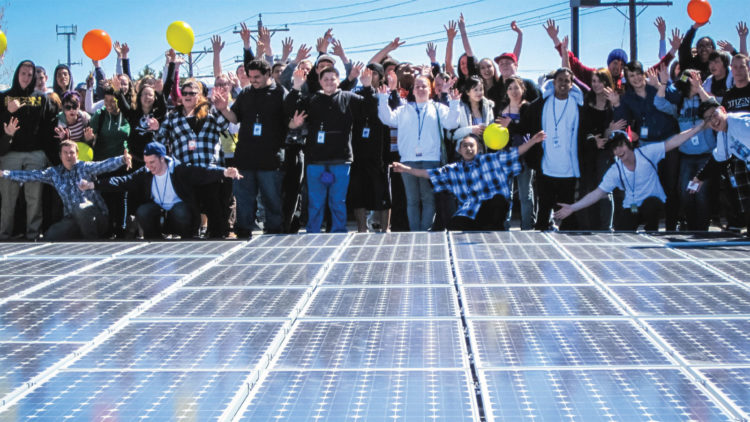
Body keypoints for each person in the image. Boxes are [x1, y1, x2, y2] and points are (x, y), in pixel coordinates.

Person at [555, 125, 706, 231]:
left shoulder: (647, 153)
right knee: (622, 231)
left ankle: (652, 233)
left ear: (628, 144)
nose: (618, 151)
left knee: (650, 205)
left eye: (621, 145)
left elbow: (673, 142)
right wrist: (572, 207)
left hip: (653, 204)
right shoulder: (615, 170)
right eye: (614, 148)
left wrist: (699, 127)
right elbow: (597, 193)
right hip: (632, 207)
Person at [82, 142, 242, 239]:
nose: (149, 166)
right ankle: (154, 238)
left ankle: (187, 237)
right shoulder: (145, 172)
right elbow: (123, 181)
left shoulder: (178, 169)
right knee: (143, 211)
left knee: (180, 211)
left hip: (179, 211)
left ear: (162, 158)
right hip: (159, 210)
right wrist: (93, 185)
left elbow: (202, 171)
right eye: (146, 162)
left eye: (152, 162)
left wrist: (224, 172)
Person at [286, 66, 377, 233]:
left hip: (341, 159)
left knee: (338, 201)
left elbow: (369, 109)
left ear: (338, 80)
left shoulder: (348, 97)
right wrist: (296, 87)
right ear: (320, 82)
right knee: (316, 201)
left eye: (332, 79)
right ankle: (313, 232)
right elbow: (290, 109)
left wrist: (367, 87)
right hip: (316, 160)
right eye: (325, 79)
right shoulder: (311, 99)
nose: (329, 82)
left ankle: (338, 232)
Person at [392, 132, 545, 230]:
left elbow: (515, 153)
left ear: (478, 149)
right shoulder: (453, 170)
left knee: (498, 200)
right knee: (454, 226)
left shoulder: (491, 160)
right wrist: (405, 169)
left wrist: (533, 141)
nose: (468, 149)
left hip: (491, 210)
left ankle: (494, 230)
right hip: (470, 212)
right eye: (465, 146)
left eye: (472, 146)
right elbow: (428, 173)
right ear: (459, 150)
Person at [377, 74, 461, 231]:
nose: (421, 89)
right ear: (413, 91)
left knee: (428, 199)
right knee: (412, 200)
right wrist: (383, 98)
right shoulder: (403, 109)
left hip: (431, 159)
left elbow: (451, 123)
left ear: (430, 90)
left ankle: (424, 232)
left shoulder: (438, 108)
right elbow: (387, 119)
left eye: (424, 86)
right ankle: (415, 233)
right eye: (417, 86)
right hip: (408, 160)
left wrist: (455, 103)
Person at [0, 140, 131, 240]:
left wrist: (122, 159)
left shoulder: (85, 167)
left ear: (77, 154)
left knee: (81, 207)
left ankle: (91, 243)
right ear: (60, 155)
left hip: (97, 219)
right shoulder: (54, 173)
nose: (69, 155)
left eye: (72, 152)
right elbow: (32, 175)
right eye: (65, 152)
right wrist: (5, 173)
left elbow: (104, 165)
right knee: (50, 236)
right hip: (72, 220)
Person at [216, 59, 288, 237]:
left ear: (268, 74)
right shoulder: (246, 92)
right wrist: (224, 109)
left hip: (270, 158)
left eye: (257, 77)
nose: (253, 80)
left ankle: (274, 232)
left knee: (272, 199)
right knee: (244, 199)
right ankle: (243, 231)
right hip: (245, 157)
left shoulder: (280, 92)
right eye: (250, 77)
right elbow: (235, 118)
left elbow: (290, 121)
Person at [156, 79, 230, 237]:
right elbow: (160, 139)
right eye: (184, 93)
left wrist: (220, 108)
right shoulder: (172, 116)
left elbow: (224, 126)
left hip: (209, 168)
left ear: (200, 95)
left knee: (213, 207)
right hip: (186, 170)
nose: (187, 96)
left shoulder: (210, 111)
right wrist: (155, 129)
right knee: (191, 210)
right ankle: (191, 237)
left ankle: (216, 236)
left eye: (192, 93)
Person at [612, 60, 680, 230]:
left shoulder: (654, 85)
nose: (636, 78)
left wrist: (660, 85)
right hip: (647, 146)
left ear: (643, 73)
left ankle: (671, 226)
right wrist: (617, 105)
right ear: (628, 79)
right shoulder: (628, 98)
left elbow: (677, 98)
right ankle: (652, 226)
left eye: (637, 74)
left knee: (670, 186)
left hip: (668, 142)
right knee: (650, 187)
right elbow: (623, 121)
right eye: (631, 76)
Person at [0, 60, 58, 240]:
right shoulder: (4, 97)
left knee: (34, 197)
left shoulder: (41, 98)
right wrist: (8, 113)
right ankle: (4, 234)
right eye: (23, 74)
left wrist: (50, 153)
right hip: (10, 153)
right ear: (17, 75)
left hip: (35, 154)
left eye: (30, 75)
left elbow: (49, 126)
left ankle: (34, 233)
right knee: (8, 198)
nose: (26, 78)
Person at [521, 68, 584, 231]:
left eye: (567, 81)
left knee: (567, 213)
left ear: (572, 84)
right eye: (560, 80)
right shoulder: (542, 103)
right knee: (543, 210)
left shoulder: (578, 105)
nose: (563, 83)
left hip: (568, 169)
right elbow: (525, 123)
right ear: (554, 82)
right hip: (546, 166)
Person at [655, 69, 716, 230]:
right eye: (693, 78)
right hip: (687, 156)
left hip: (706, 155)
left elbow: (715, 108)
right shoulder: (680, 103)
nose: (697, 80)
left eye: (699, 78)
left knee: (702, 193)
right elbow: (659, 103)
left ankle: (702, 229)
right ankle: (691, 225)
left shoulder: (705, 98)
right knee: (684, 191)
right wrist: (663, 83)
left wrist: (699, 89)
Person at [691, 99, 750, 234]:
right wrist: (699, 178)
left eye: (714, 114)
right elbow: (718, 158)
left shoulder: (740, 124)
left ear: (723, 110)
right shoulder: (723, 134)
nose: (713, 120)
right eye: (708, 119)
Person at [348, 63, 392, 233]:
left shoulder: (386, 94)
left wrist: (370, 89)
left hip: (380, 151)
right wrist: (360, 84)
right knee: (358, 191)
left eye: (374, 73)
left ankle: (385, 228)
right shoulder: (357, 94)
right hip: (358, 150)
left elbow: (378, 107)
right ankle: (361, 229)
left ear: (381, 77)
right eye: (367, 73)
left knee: (382, 191)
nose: (369, 76)